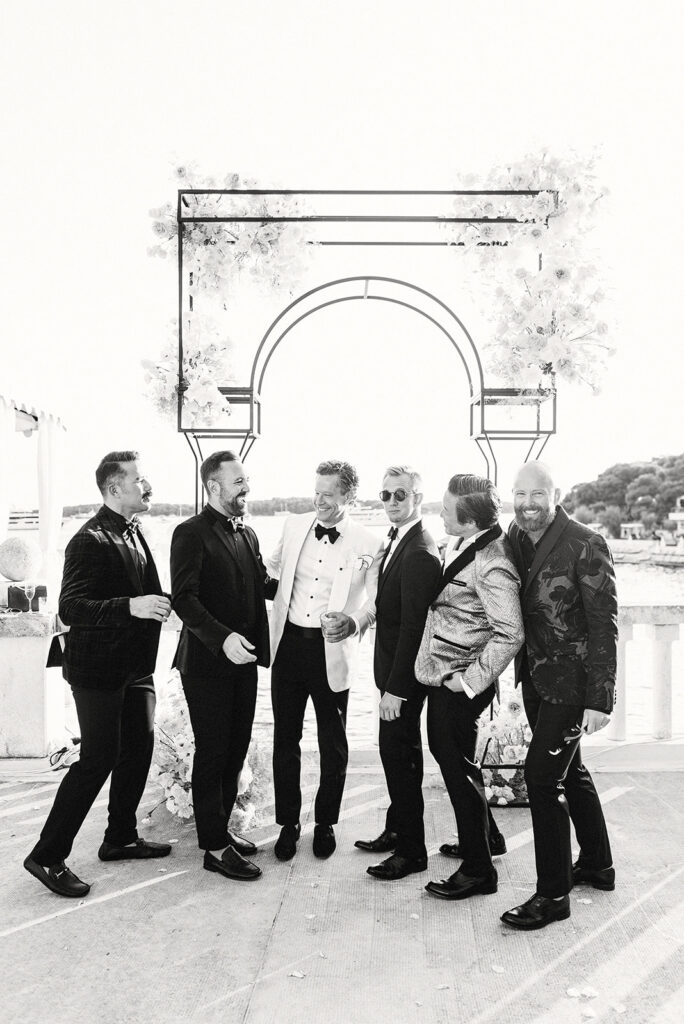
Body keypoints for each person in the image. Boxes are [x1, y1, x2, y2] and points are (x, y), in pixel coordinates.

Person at [24, 451, 172, 898]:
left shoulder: (134, 530)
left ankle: (120, 837)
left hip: (136, 668)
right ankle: (47, 855)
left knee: (138, 750)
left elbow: (139, 590)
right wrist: (132, 606)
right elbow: (70, 608)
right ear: (114, 488)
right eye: (140, 480)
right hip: (98, 671)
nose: (148, 486)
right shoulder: (89, 539)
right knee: (97, 759)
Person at [501, 461, 618, 930]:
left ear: (556, 494)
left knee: (542, 779)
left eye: (537, 494)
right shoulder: (514, 535)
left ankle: (552, 896)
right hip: (534, 678)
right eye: (520, 494)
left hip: (572, 685)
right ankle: (597, 864)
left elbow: (604, 625)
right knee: (572, 770)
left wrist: (600, 699)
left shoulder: (587, 542)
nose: (528, 503)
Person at [266, 459, 382, 861]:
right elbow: (270, 570)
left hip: (331, 650)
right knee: (285, 739)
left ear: (349, 495)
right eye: (316, 493)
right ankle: (288, 824)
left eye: (328, 495)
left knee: (332, 743)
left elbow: (376, 602)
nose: (319, 501)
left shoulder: (369, 543)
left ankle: (326, 822)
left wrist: (354, 622)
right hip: (287, 647)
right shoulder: (293, 525)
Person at [416, 474, 524, 901]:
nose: (440, 514)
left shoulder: (493, 562)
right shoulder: (467, 543)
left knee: (456, 769)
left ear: (470, 520)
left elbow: (510, 633)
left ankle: (479, 871)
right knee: (461, 764)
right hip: (447, 675)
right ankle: (488, 838)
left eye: (447, 510)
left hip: (460, 683)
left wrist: (468, 681)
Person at [170, 451, 274, 882]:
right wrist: (223, 638)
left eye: (246, 480)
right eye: (238, 482)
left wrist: (314, 585)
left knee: (235, 750)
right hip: (206, 663)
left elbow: (264, 584)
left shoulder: (247, 533)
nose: (246, 488)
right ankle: (213, 848)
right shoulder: (189, 533)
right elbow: (184, 598)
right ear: (213, 487)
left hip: (244, 661)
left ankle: (221, 831)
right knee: (213, 752)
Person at [354, 466, 440, 880]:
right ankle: (396, 829)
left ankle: (411, 852)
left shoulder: (420, 550)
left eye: (400, 494)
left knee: (399, 760)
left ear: (418, 498)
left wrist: (397, 690)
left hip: (401, 681)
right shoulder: (397, 539)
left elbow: (414, 627)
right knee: (400, 757)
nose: (391, 501)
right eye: (385, 494)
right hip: (391, 673)